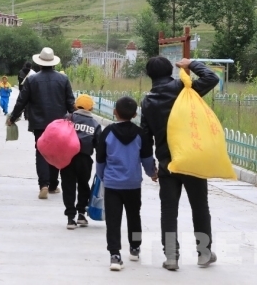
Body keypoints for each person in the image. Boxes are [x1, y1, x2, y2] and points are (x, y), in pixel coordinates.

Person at [140, 57, 219, 271]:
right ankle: (203, 254)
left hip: (168, 162)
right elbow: (212, 78)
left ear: (150, 76)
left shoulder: (147, 101)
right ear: (170, 71)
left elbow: (146, 138)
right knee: (200, 207)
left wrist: (151, 167)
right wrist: (191, 64)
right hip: (192, 159)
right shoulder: (184, 88)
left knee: (168, 210)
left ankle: (172, 257)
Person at [96, 96, 156, 271]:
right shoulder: (140, 134)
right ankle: (135, 247)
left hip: (112, 184)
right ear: (135, 114)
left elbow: (100, 159)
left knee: (113, 220)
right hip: (133, 184)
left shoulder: (107, 133)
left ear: (115, 112)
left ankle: (115, 255)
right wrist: (152, 173)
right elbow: (146, 159)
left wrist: (101, 177)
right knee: (134, 215)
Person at [7, 47, 75, 199]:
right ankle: (52, 185)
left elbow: (21, 101)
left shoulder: (32, 80)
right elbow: (71, 103)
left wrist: (12, 117)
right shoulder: (63, 79)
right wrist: (77, 119)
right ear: (53, 63)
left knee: (42, 151)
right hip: (59, 123)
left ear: (39, 64)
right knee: (55, 152)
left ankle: (43, 185)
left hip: (39, 123)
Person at [61, 94, 101, 230]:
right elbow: (99, 144)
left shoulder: (68, 118)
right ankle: (82, 214)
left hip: (67, 157)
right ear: (91, 109)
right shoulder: (95, 123)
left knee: (68, 186)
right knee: (84, 185)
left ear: (75, 106)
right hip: (84, 159)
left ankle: (70, 218)